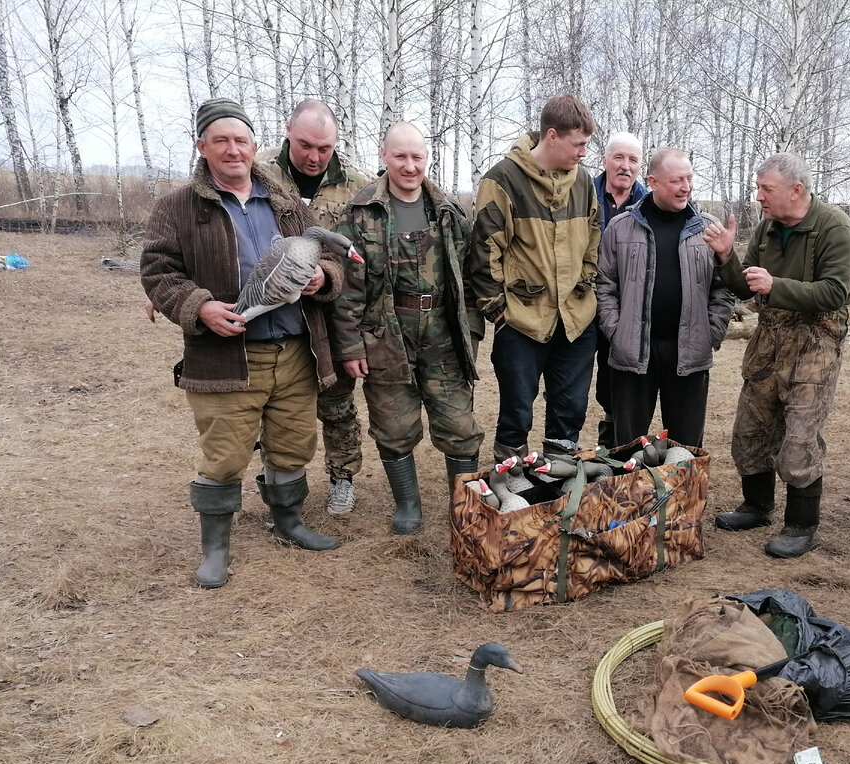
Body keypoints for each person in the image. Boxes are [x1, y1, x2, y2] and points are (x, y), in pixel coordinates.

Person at [141, 98, 342, 589]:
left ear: (256, 147)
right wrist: (200, 307)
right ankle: (215, 549)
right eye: (221, 141)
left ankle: (289, 522)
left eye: (242, 141)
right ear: (202, 147)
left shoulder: (286, 202)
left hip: (295, 350)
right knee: (226, 454)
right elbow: (158, 272)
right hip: (228, 356)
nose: (233, 150)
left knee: (293, 445)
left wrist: (322, 277)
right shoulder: (177, 207)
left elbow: (332, 259)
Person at [332, 123, 484, 535]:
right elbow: (347, 288)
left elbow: (468, 278)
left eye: (417, 157)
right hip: (384, 335)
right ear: (385, 155)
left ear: (427, 158)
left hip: (443, 334)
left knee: (458, 426)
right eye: (400, 156)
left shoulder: (449, 211)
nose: (410, 165)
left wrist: (470, 331)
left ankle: (464, 504)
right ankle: (408, 504)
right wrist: (350, 347)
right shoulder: (362, 213)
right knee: (394, 427)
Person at [704, 152, 850, 559]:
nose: (758, 197)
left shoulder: (833, 226)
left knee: (800, 435)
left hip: (815, 342)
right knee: (750, 429)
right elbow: (746, 286)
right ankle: (756, 506)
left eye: (765, 189)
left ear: (796, 190)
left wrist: (777, 286)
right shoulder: (768, 228)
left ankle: (801, 525)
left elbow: (835, 292)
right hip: (769, 340)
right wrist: (725, 256)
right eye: (757, 188)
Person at [469, 94, 600, 461]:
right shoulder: (502, 180)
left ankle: (557, 486)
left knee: (569, 410)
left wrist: (585, 284)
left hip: (575, 321)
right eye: (579, 144)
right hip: (522, 321)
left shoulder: (584, 182)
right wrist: (498, 310)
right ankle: (512, 485)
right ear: (552, 136)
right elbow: (483, 249)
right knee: (516, 412)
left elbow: (594, 239)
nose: (583, 153)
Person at [257, 100, 373, 519]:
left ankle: (343, 477)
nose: (314, 156)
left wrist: (327, 277)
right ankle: (280, 483)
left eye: (324, 148)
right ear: (287, 130)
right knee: (276, 404)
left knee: (337, 403)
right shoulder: (258, 170)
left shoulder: (359, 185)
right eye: (305, 144)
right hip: (275, 311)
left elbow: (365, 253)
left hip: (333, 313)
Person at [596, 148, 733, 447]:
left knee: (686, 449)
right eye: (677, 180)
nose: (686, 187)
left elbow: (723, 287)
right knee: (627, 447)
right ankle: (629, 494)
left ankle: (683, 495)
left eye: (689, 178)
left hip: (690, 352)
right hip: (633, 352)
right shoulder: (620, 227)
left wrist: (711, 332)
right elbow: (605, 284)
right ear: (653, 182)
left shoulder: (708, 228)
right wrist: (616, 332)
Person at [592, 132, 648, 446]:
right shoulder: (583, 193)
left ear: (640, 167)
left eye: (632, 160)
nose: (625, 166)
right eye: (619, 158)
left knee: (618, 387)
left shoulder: (647, 204)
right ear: (605, 161)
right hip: (583, 306)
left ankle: (614, 448)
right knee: (571, 388)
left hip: (625, 312)